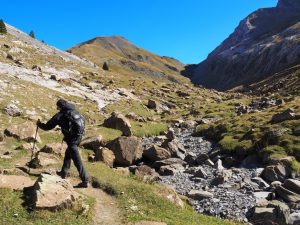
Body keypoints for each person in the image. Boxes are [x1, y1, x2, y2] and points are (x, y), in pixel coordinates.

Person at [37, 99, 89, 188]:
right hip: (79, 137)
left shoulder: (60, 115)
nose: (57, 109)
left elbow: (48, 126)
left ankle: (85, 180)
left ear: (60, 106)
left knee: (77, 161)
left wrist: (39, 124)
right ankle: (63, 172)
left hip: (72, 140)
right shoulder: (75, 111)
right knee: (68, 153)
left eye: (58, 107)